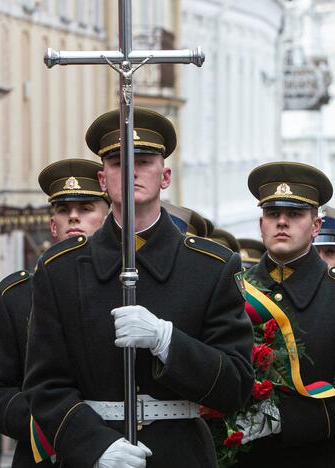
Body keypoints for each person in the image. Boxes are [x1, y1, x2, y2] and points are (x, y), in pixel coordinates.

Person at [23, 108, 255, 468]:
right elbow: (44, 384)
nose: (130, 172)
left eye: (143, 162)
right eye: (117, 164)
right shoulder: (61, 270)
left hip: (180, 454)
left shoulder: (211, 267)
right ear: (102, 179)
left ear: (165, 177)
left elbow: (236, 384)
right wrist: (93, 445)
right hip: (97, 454)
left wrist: (168, 341)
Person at [233, 162, 335, 468]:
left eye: (294, 214)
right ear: (260, 223)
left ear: (316, 226)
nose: (281, 223)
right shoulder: (233, 290)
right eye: (273, 214)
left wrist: (281, 418)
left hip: (320, 457)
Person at [0, 157, 111, 468]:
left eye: (86, 209)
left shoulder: (128, 287)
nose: (73, 218)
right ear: (52, 226)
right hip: (45, 455)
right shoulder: (16, 297)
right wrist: (51, 422)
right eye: (64, 211)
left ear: (108, 220)